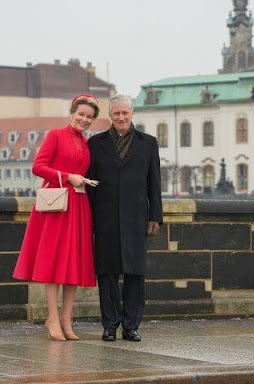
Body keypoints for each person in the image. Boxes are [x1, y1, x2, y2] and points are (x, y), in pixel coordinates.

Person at [13, 94, 100, 341]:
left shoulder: (85, 142)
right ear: (72, 113)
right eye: (81, 114)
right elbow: (37, 167)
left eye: (90, 117)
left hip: (78, 204)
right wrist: (67, 176)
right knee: (53, 261)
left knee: (73, 261)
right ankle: (52, 317)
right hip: (56, 205)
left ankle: (66, 319)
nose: (85, 119)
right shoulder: (56, 135)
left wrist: (79, 179)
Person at [87, 94, 163, 342]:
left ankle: (131, 325)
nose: (121, 117)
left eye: (125, 113)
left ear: (132, 114)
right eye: (116, 113)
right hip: (105, 215)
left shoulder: (148, 143)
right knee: (107, 273)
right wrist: (88, 218)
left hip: (136, 217)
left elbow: (154, 184)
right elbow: (90, 185)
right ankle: (110, 324)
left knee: (135, 272)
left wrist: (155, 217)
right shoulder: (95, 144)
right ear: (110, 115)